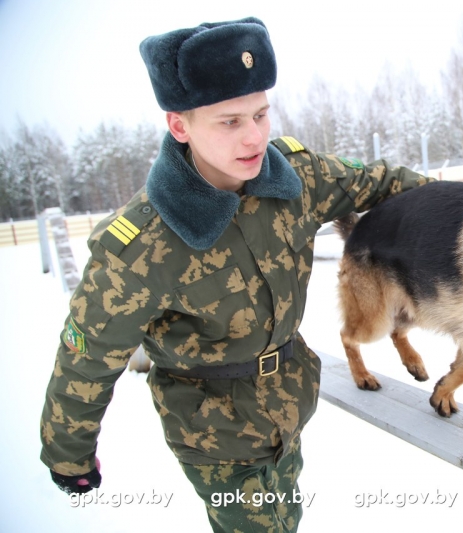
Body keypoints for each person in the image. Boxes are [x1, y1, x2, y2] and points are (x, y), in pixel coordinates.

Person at [39, 16, 433, 532]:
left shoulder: (295, 178)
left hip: (290, 405)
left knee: (285, 514)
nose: (254, 137)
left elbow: (387, 184)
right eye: (229, 121)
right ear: (180, 126)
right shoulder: (141, 247)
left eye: (261, 114)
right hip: (214, 434)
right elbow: (86, 360)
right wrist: (68, 457)